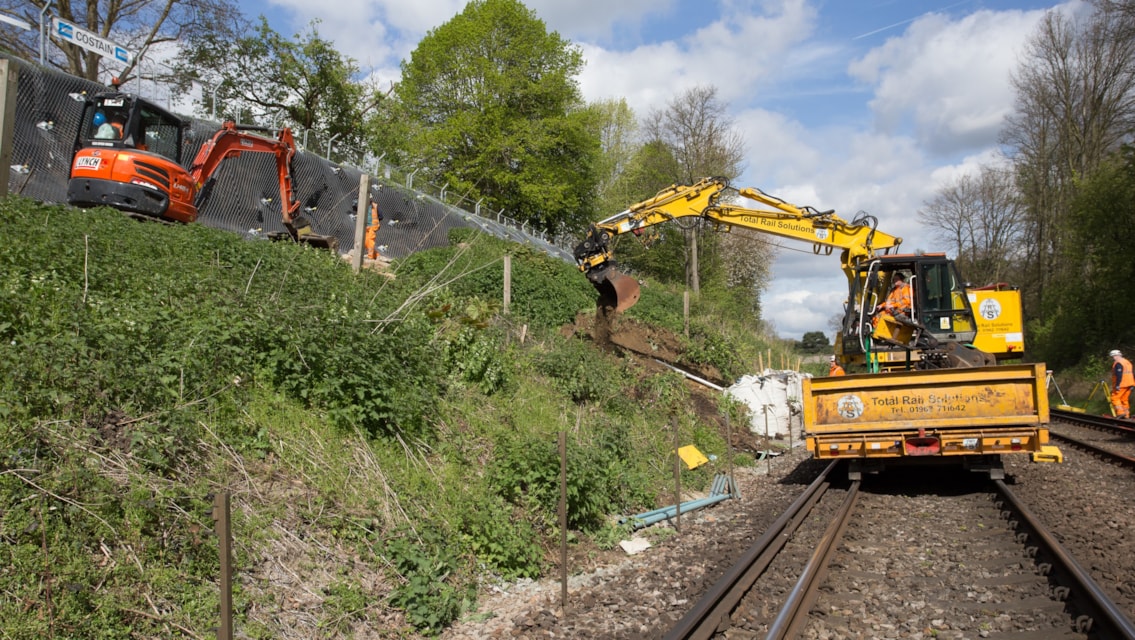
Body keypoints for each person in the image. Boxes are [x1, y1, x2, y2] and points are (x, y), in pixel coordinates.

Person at [1109, 349, 1133, 419]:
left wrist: (1117, 385)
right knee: (1124, 399)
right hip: (1130, 383)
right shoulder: (1127, 362)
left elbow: (1119, 374)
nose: (1112, 358)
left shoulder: (1118, 363)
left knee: (1115, 398)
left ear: (1115, 356)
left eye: (1112, 356)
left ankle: (1120, 413)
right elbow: (1131, 373)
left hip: (1122, 384)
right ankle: (1126, 414)